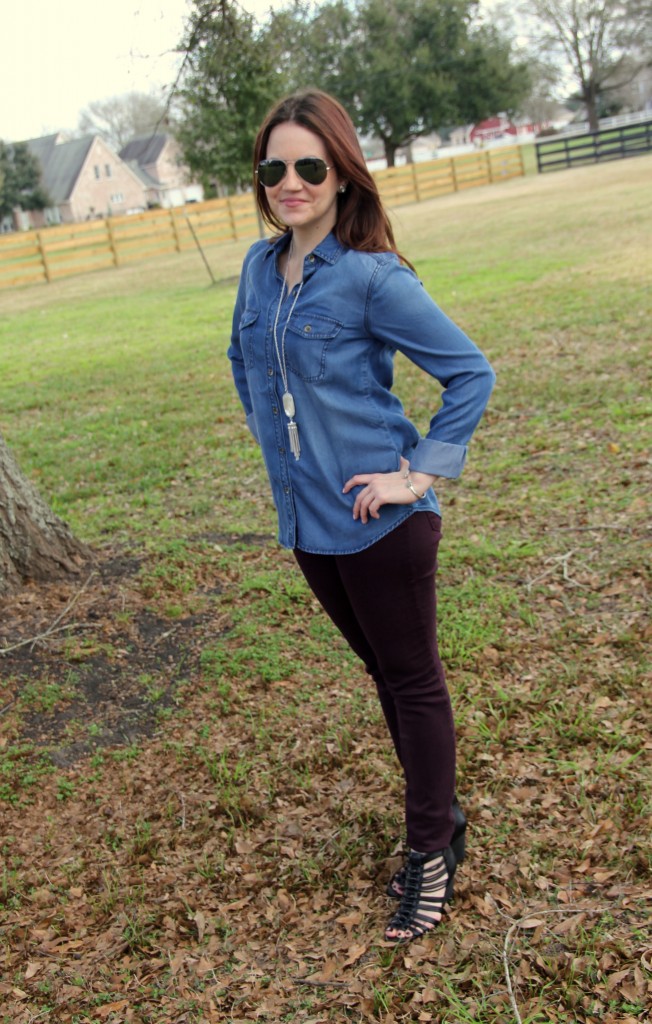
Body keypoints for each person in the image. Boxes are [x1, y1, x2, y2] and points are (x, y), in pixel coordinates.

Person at [228, 90, 495, 944]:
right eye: (276, 167)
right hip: (308, 524)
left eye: (312, 165)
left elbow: (471, 375)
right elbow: (245, 365)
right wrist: (283, 459)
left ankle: (431, 848)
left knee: (412, 679)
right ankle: (437, 811)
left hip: (380, 523)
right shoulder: (256, 269)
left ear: (342, 174)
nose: (292, 182)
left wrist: (416, 477)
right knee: (385, 677)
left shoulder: (374, 276)